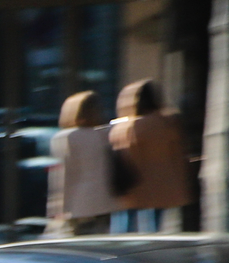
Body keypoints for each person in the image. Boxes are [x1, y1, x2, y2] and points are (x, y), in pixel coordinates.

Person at [108, 79, 191, 234]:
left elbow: (126, 159)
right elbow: (178, 155)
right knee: (154, 227)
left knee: (124, 227)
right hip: (163, 183)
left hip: (135, 186)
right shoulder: (169, 123)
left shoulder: (129, 127)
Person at [46, 91, 117, 237]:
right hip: (105, 201)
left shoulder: (66, 137)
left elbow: (64, 175)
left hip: (78, 204)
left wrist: (58, 208)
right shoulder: (104, 134)